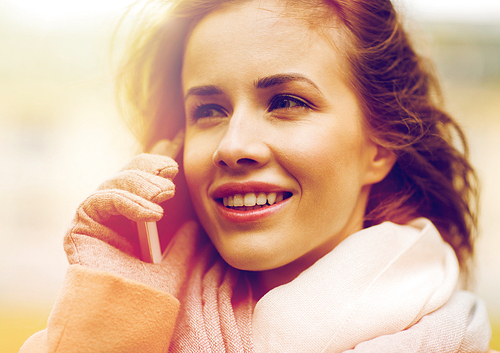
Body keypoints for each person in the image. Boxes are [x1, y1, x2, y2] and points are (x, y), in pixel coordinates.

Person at [20, 0, 495, 352]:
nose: (233, 146)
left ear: (381, 143)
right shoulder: (119, 291)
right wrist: (112, 305)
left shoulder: (450, 339)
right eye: (208, 110)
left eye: (287, 102)